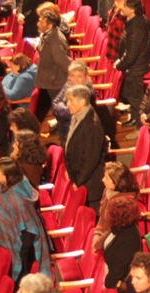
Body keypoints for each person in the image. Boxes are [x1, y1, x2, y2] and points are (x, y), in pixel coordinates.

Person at [0, 157, 51, 282]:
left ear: (6, 176)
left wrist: (19, 248)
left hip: (24, 239)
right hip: (17, 237)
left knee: (20, 277)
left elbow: (27, 226)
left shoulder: (14, 197)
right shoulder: (4, 189)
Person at [93, 162, 142, 289]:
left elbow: (111, 228)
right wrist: (97, 233)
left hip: (112, 247)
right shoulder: (108, 192)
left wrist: (98, 243)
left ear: (117, 181)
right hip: (106, 240)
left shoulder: (124, 202)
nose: (102, 180)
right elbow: (102, 218)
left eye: (107, 178)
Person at [64, 85, 107, 213]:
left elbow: (90, 160)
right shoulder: (78, 116)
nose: (67, 104)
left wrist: (78, 181)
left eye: (71, 100)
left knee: (90, 219)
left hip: (90, 185)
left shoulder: (91, 125)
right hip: (80, 180)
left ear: (82, 102)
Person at [115, 0, 150, 132]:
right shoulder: (132, 20)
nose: (121, 8)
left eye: (124, 5)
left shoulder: (137, 25)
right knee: (130, 95)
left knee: (136, 98)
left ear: (132, 9)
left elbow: (132, 53)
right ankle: (134, 119)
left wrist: (119, 65)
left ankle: (141, 129)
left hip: (134, 68)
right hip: (132, 66)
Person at [34, 7, 71, 121]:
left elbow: (62, 61)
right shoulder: (48, 34)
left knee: (58, 107)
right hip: (50, 79)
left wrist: (73, 76)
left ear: (50, 25)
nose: (38, 23)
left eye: (41, 21)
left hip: (55, 81)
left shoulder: (55, 41)